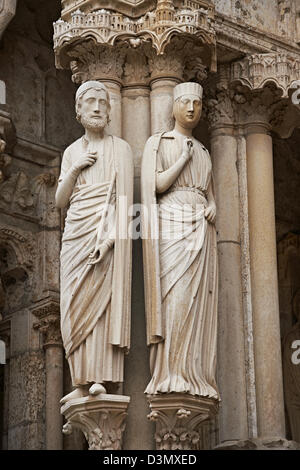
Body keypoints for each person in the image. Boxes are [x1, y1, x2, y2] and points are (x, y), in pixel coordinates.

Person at [56, 81, 133, 403]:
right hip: (76, 234)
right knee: (71, 304)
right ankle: (80, 377)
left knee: (101, 303)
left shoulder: (121, 149)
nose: (97, 107)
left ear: (111, 111)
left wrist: (111, 239)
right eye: (90, 102)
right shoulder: (72, 151)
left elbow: (126, 203)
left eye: (103, 102)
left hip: (106, 236)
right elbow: (60, 200)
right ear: (78, 110)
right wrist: (74, 169)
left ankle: (100, 377)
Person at [141, 82, 219, 399]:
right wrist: (181, 161)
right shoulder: (160, 143)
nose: (191, 109)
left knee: (197, 301)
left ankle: (193, 372)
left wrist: (212, 205)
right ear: (173, 106)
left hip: (200, 226)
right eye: (186, 103)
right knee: (175, 296)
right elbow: (155, 184)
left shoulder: (203, 150)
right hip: (171, 220)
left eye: (197, 105)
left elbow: (209, 192)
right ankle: (169, 372)